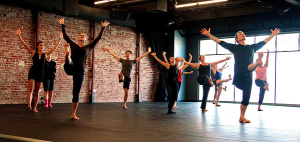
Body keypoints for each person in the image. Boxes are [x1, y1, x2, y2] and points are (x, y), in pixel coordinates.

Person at [200, 28, 280, 123]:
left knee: (246, 97)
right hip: (240, 70)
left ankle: (242, 116)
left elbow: (264, 42)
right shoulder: (235, 47)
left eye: (243, 33)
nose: (242, 34)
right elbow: (220, 42)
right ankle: (258, 62)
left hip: (248, 75)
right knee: (250, 66)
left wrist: (273, 34)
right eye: (240, 34)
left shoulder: (252, 47)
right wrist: (209, 35)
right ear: (237, 39)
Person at [59, 17, 110, 119]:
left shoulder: (88, 47)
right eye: (80, 35)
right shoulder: (73, 44)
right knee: (68, 58)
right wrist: (62, 24)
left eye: (83, 36)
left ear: (85, 39)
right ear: (78, 38)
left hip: (80, 71)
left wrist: (103, 28)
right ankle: (67, 54)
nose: (81, 36)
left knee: (76, 92)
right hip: (70, 67)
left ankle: (73, 113)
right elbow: (65, 36)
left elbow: (98, 38)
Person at [16, 28, 62, 112]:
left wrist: (59, 39)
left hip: (40, 73)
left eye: (43, 45)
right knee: (31, 88)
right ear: (37, 46)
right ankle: (29, 105)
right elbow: (25, 45)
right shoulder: (33, 53)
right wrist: (19, 35)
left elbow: (54, 48)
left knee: (37, 91)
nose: (42, 46)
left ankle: (34, 108)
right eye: (40, 45)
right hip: (33, 71)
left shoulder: (45, 54)